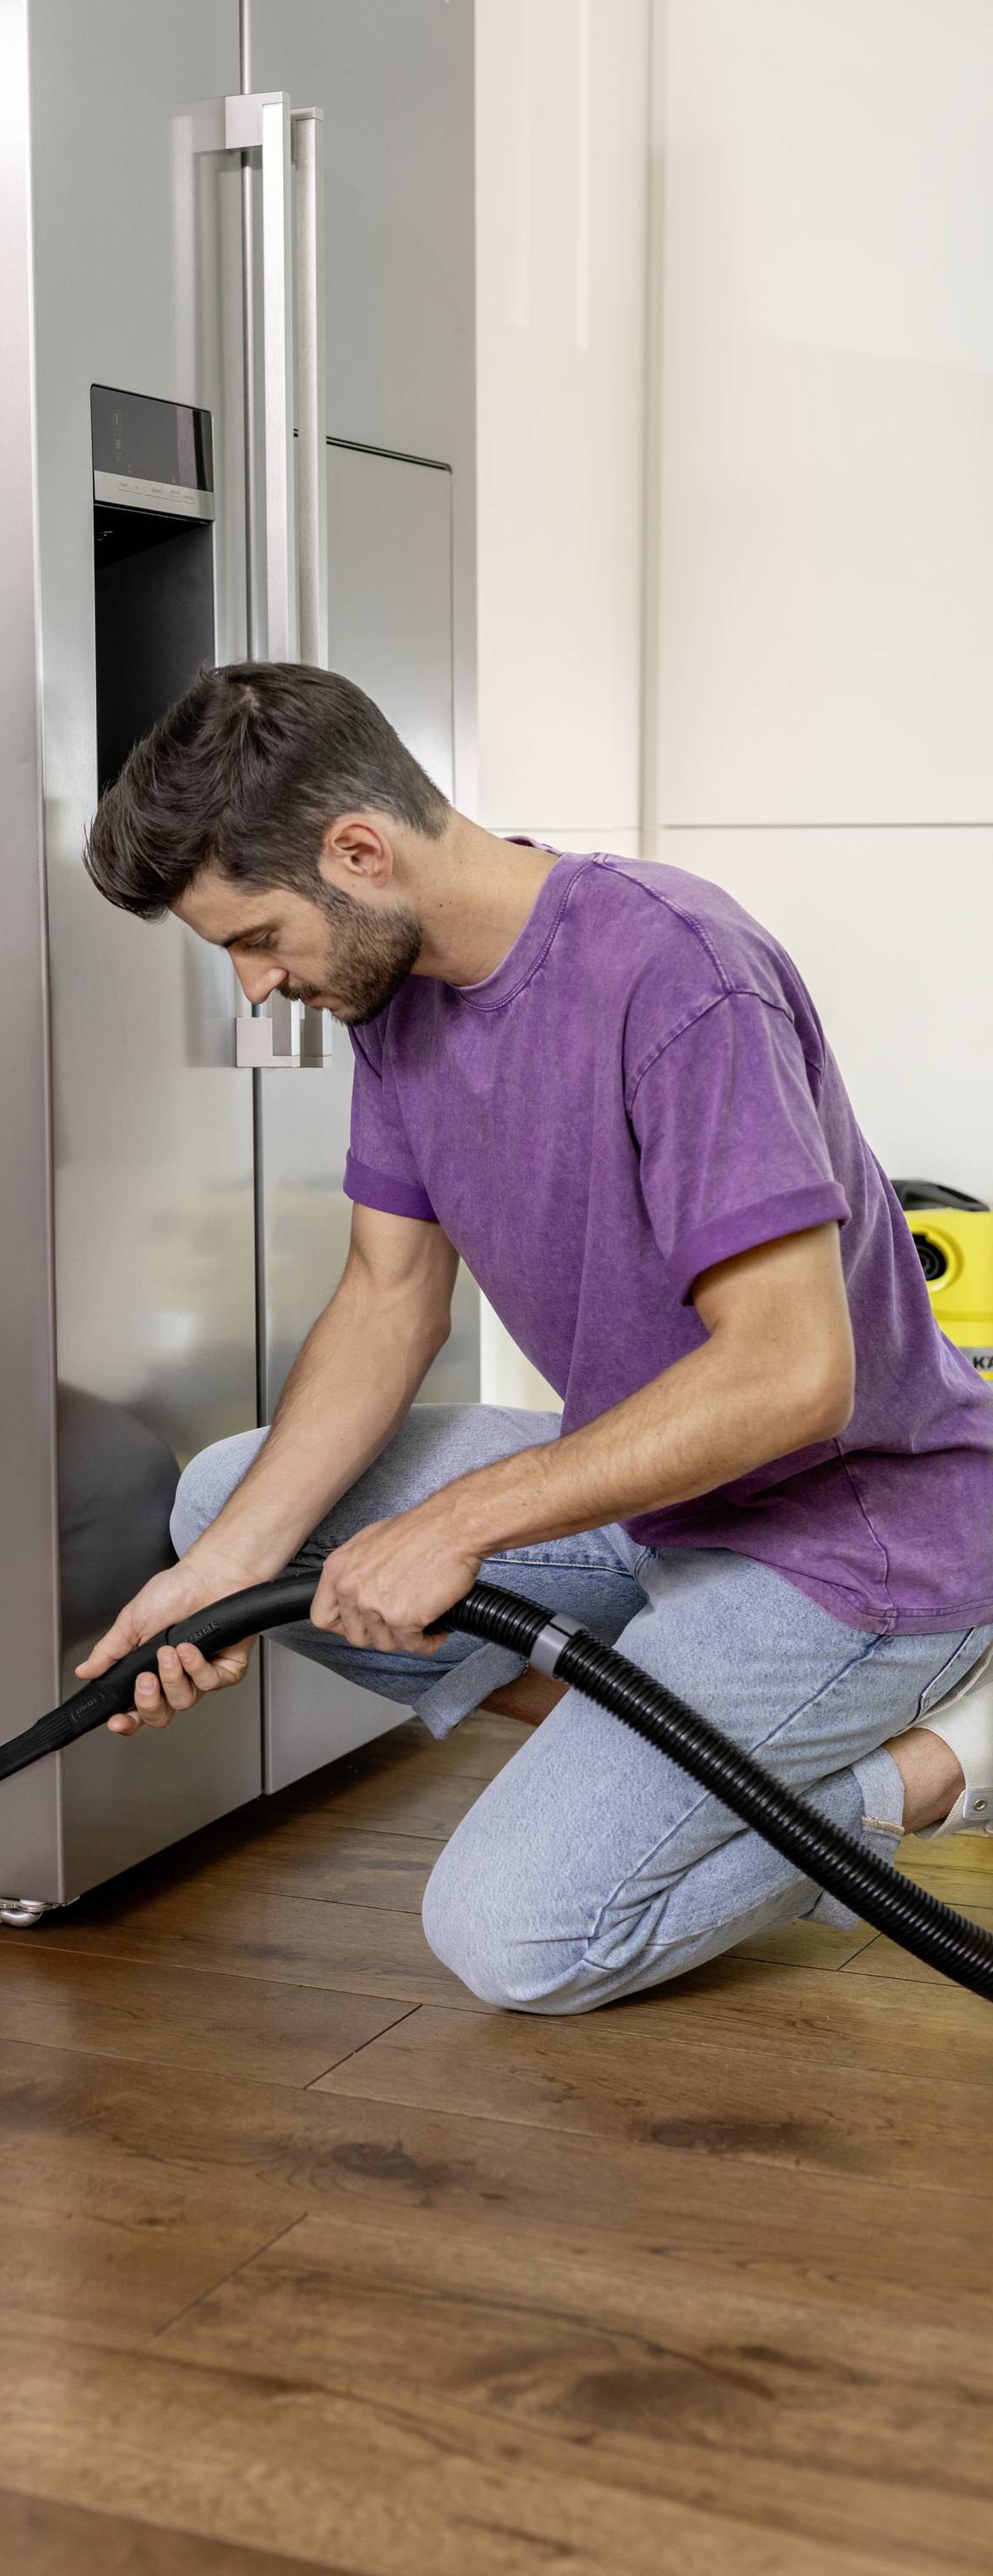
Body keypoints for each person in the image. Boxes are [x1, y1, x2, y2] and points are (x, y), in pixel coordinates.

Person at [76, 661, 993, 2014]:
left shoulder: (677, 973)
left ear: (360, 852)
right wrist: (216, 1577)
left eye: (256, 937)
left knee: (518, 1939)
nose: (257, 987)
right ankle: (660, 1770)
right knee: (233, 1501)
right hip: (660, 1510)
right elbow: (390, 1301)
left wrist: (461, 1528)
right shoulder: (396, 1004)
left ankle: (945, 1762)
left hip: (855, 1543)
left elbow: (796, 1374)